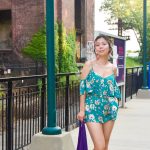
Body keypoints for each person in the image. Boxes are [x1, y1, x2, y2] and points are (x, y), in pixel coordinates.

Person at [77, 34, 121, 150]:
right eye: (97, 45)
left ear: (109, 48)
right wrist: (82, 110)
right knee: (100, 146)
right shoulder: (88, 65)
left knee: (105, 146)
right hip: (92, 108)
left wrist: (116, 104)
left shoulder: (113, 68)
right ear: (95, 49)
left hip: (110, 108)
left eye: (103, 44)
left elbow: (113, 89)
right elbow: (82, 89)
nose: (100, 47)